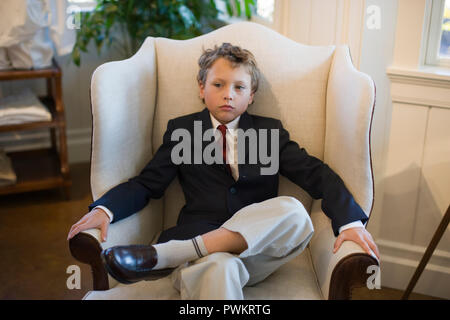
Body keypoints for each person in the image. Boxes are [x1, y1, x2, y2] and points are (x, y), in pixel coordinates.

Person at [67, 42, 379, 299]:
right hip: (202, 252)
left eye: (239, 87)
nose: (228, 93)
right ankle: (190, 252)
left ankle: (166, 255)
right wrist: (106, 209)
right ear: (202, 88)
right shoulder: (183, 132)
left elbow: (317, 175)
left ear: (251, 96)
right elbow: (147, 184)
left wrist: (350, 222)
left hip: (255, 253)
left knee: (295, 212)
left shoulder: (269, 134)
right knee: (221, 268)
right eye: (218, 84)